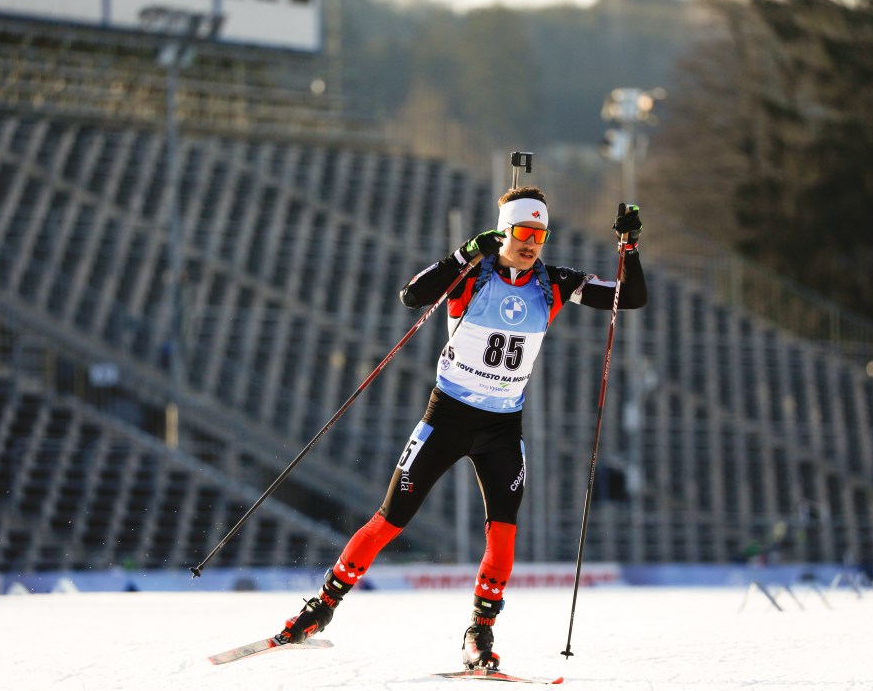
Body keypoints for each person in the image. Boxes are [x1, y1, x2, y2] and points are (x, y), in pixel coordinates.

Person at [275, 185, 648, 670]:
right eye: (523, 232)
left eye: (541, 234)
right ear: (505, 231)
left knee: (504, 533)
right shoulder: (474, 275)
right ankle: (321, 608)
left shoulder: (554, 283)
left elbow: (629, 298)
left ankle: (481, 632)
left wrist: (629, 248)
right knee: (389, 519)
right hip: (447, 416)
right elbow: (412, 295)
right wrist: (464, 253)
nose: (532, 243)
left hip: (502, 428)